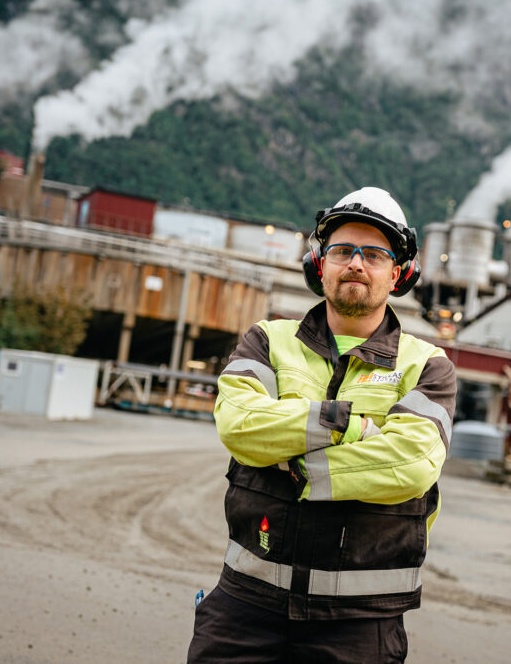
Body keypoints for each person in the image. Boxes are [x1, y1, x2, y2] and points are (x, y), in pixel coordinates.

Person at [187, 187, 456, 663]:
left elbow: (411, 464)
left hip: (359, 622)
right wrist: (348, 425)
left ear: (397, 274)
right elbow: (239, 425)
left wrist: (297, 466)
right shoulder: (267, 340)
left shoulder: (427, 366)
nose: (356, 263)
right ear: (319, 263)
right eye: (342, 250)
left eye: (374, 254)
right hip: (245, 606)